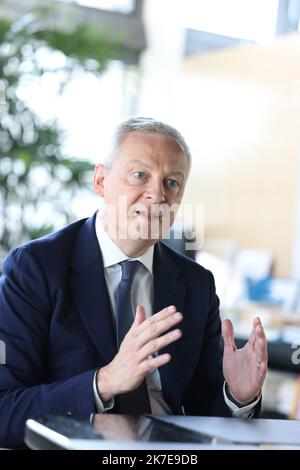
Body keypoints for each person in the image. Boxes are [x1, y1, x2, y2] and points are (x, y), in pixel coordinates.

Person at [0, 117, 267, 448]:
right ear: (101, 180)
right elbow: (5, 410)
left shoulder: (196, 284)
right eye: (140, 175)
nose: (157, 194)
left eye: (172, 182)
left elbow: (205, 415)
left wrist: (237, 396)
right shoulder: (36, 268)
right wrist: (104, 381)